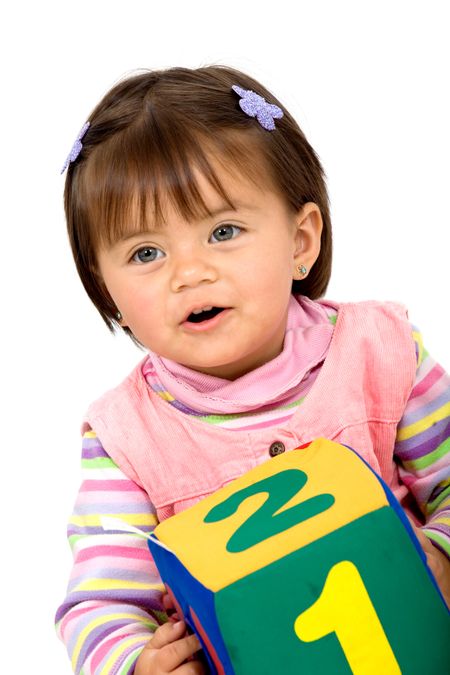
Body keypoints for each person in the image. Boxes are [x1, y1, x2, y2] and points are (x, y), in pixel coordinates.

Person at [55, 65, 450, 675]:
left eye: (224, 231)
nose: (188, 273)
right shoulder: (124, 438)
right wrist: (134, 661)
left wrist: (442, 553)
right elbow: (101, 602)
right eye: (146, 253)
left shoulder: (381, 351)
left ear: (300, 241)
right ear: (105, 291)